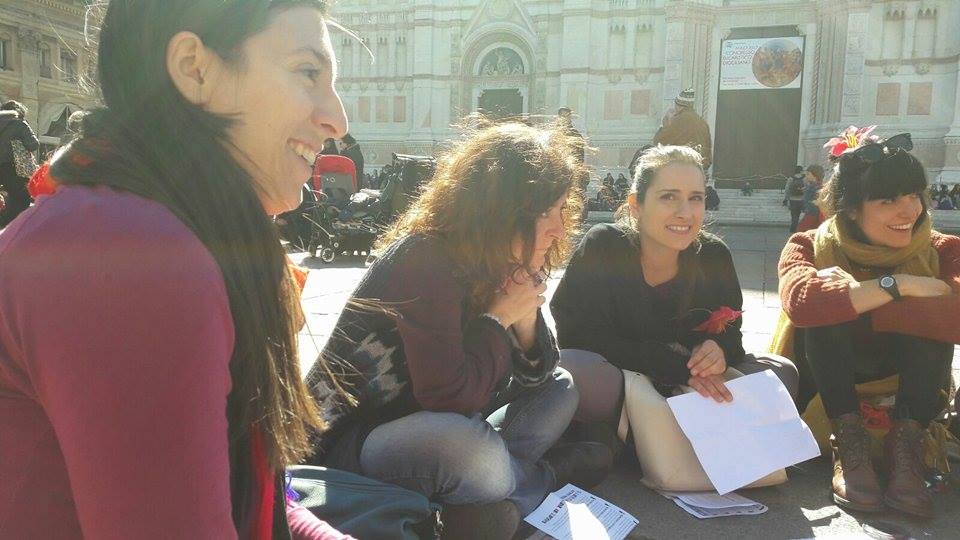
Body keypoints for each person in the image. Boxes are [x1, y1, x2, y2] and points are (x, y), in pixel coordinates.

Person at [0, 1, 355, 538]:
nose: (337, 120)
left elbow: (249, 499)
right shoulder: (129, 255)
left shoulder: (162, 228)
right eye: (308, 72)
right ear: (194, 68)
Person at [305, 119, 613, 538]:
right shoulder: (424, 259)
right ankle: (544, 479)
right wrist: (498, 319)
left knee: (561, 387)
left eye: (562, 209)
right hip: (354, 443)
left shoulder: (500, 259)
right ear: (499, 210)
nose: (560, 228)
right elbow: (447, 396)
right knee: (463, 445)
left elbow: (540, 375)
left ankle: (491, 493)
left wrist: (524, 321)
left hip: (443, 419)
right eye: (545, 212)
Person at [550, 145, 798, 453]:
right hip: (626, 386)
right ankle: (670, 442)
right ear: (636, 205)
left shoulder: (714, 255)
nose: (685, 213)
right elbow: (577, 336)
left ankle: (655, 444)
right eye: (668, 197)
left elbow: (732, 336)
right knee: (573, 369)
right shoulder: (605, 246)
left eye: (696, 198)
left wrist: (717, 350)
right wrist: (674, 365)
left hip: (694, 389)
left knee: (781, 371)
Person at [772, 131, 960, 518]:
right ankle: (848, 444)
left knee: (918, 323)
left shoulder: (943, 248)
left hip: (907, 379)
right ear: (853, 209)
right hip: (829, 376)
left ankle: (906, 448)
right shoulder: (807, 244)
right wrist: (900, 285)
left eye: (913, 196)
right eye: (888, 201)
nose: (909, 211)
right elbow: (802, 304)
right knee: (825, 316)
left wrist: (856, 298)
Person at [0, 100, 39, 228]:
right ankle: (9, 231)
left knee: (7, 199)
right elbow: (33, 144)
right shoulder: (20, 124)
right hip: (15, 168)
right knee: (22, 200)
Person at [653, 89, 712, 171]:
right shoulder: (702, 123)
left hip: (681, 167)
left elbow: (658, 141)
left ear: (679, 106)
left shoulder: (678, 120)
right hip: (699, 168)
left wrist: (665, 124)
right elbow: (708, 150)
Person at [797, 164, 826, 232]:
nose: (806, 176)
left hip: (813, 216)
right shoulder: (812, 186)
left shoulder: (817, 188)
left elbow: (817, 204)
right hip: (811, 214)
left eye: (808, 174)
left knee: (802, 232)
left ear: (815, 175)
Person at [784, 165, 806, 232]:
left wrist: (786, 198)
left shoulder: (791, 179)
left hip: (792, 199)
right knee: (800, 214)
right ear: (801, 171)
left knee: (794, 215)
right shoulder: (804, 179)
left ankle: (793, 228)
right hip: (801, 199)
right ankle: (798, 228)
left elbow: (787, 189)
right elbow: (807, 188)